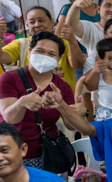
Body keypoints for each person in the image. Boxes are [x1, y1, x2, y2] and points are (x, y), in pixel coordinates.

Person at [0, 32, 80, 169]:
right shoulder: (9, 78)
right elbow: (9, 117)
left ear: (59, 58)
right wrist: (22, 103)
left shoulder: (62, 87)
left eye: (51, 54)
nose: (45, 57)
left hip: (46, 154)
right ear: (30, 52)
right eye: (40, 51)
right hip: (11, 153)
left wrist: (62, 105)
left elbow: (71, 126)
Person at [0, 6, 84, 91]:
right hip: (31, 99)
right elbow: (2, 57)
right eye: (32, 22)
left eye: (41, 20)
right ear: (27, 25)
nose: (37, 25)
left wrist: (72, 41)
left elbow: (77, 65)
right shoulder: (21, 44)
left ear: (51, 22)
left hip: (64, 99)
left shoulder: (65, 42)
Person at [55, 0, 100, 78]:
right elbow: (59, 33)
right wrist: (79, 54)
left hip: (99, 57)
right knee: (82, 89)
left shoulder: (100, 8)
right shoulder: (70, 9)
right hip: (80, 58)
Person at [83, 38, 112, 120]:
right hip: (104, 112)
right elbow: (91, 87)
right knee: (104, 132)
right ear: (101, 58)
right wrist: (95, 72)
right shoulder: (99, 72)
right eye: (110, 59)